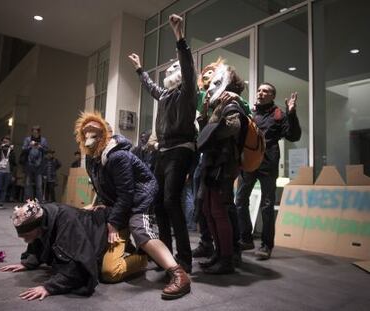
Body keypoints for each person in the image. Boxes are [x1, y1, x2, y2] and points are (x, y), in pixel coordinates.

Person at [75, 111, 191, 300]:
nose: (90, 139)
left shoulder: (118, 156)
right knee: (106, 262)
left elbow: (127, 193)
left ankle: (178, 274)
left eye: (95, 134)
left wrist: (113, 222)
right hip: (120, 204)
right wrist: (98, 205)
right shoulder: (92, 159)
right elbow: (103, 187)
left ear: (106, 135)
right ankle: (133, 250)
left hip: (139, 199)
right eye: (86, 134)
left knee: (140, 230)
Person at [128, 14, 197, 272]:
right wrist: (139, 69)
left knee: (170, 201)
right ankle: (166, 255)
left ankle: (185, 259)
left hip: (181, 149)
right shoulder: (165, 94)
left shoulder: (188, 92)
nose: (170, 71)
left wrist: (179, 36)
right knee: (158, 202)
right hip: (164, 151)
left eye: (174, 69)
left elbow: (188, 67)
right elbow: (150, 87)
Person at [236, 83, 301, 259]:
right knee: (240, 200)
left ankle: (266, 245)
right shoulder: (251, 113)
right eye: (259, 90)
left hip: (269, 162)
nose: (261, 93)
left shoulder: (279, 114)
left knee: (267, 205)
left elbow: (293, 136)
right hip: (249, 161)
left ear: (272, 96)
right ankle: (246, 238)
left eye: (265, 91)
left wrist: (292, 113)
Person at [195, 65, 248, 274]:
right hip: (211, 162)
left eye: (218, 79)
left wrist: (212, 133)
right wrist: (205, 114)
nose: (211, 83)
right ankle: (219, 254)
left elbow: (233, 127)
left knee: (218, 210)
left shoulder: (231, 100)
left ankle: (226, 259)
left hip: (223, 164)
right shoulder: (216, 103)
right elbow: (205, 131)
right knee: (208, 210)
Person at [0, 200, 107, 300]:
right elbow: (38, 241)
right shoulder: (43, 217)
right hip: (85, 220)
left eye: (27, 235)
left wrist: (49, 287)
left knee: (110, 273)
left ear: (39, 228)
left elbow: (77, 264)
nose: (26, 240)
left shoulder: (66, 222)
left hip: (101, 228)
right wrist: (28, 263)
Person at [22, 125, 48, 202]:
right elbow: (23, 149)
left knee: (39, 185)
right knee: (27, 184)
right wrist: (30, 145)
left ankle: (39, 201)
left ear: (39, 132)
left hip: (39, 165)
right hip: (29, 164)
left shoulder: (43, 140)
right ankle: (27, 201)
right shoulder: (28, 139)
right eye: (33, 132)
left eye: (36, 132)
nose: (35, 133)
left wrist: (40, 147)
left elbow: (46, 150)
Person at [0, 136, 16, 209]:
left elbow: (14, 162)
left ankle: (1, 203)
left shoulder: (11, 151)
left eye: (7, 142)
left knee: (4, 188)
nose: (5, 143)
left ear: (9, 143)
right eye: (4, 142)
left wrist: (11, 150)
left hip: (8, 171)